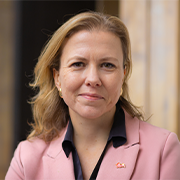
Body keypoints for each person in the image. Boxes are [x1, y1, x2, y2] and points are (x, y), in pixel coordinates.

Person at [6, 11, 180, 180]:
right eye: (78, 64)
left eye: (107, 65)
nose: (93, 79)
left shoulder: (162, 149)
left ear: (123, 75)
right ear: (57, 78)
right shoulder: (27, 157)